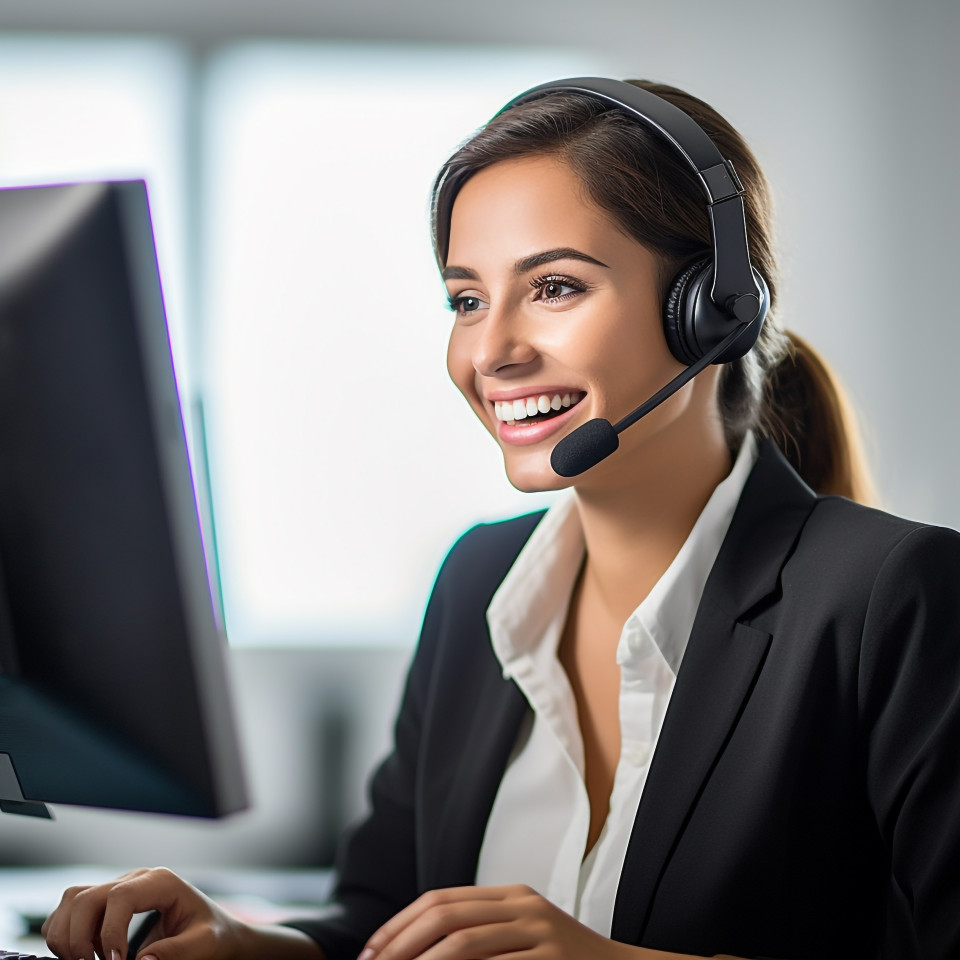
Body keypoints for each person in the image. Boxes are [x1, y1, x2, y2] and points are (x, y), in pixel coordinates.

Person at [41, 79, 960, 960]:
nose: (492, 351)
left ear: (711, 313)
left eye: (554, 287)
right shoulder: (480, 580)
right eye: (467, 299)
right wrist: (242, 942)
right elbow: (385, 919)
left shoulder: (892, 598)